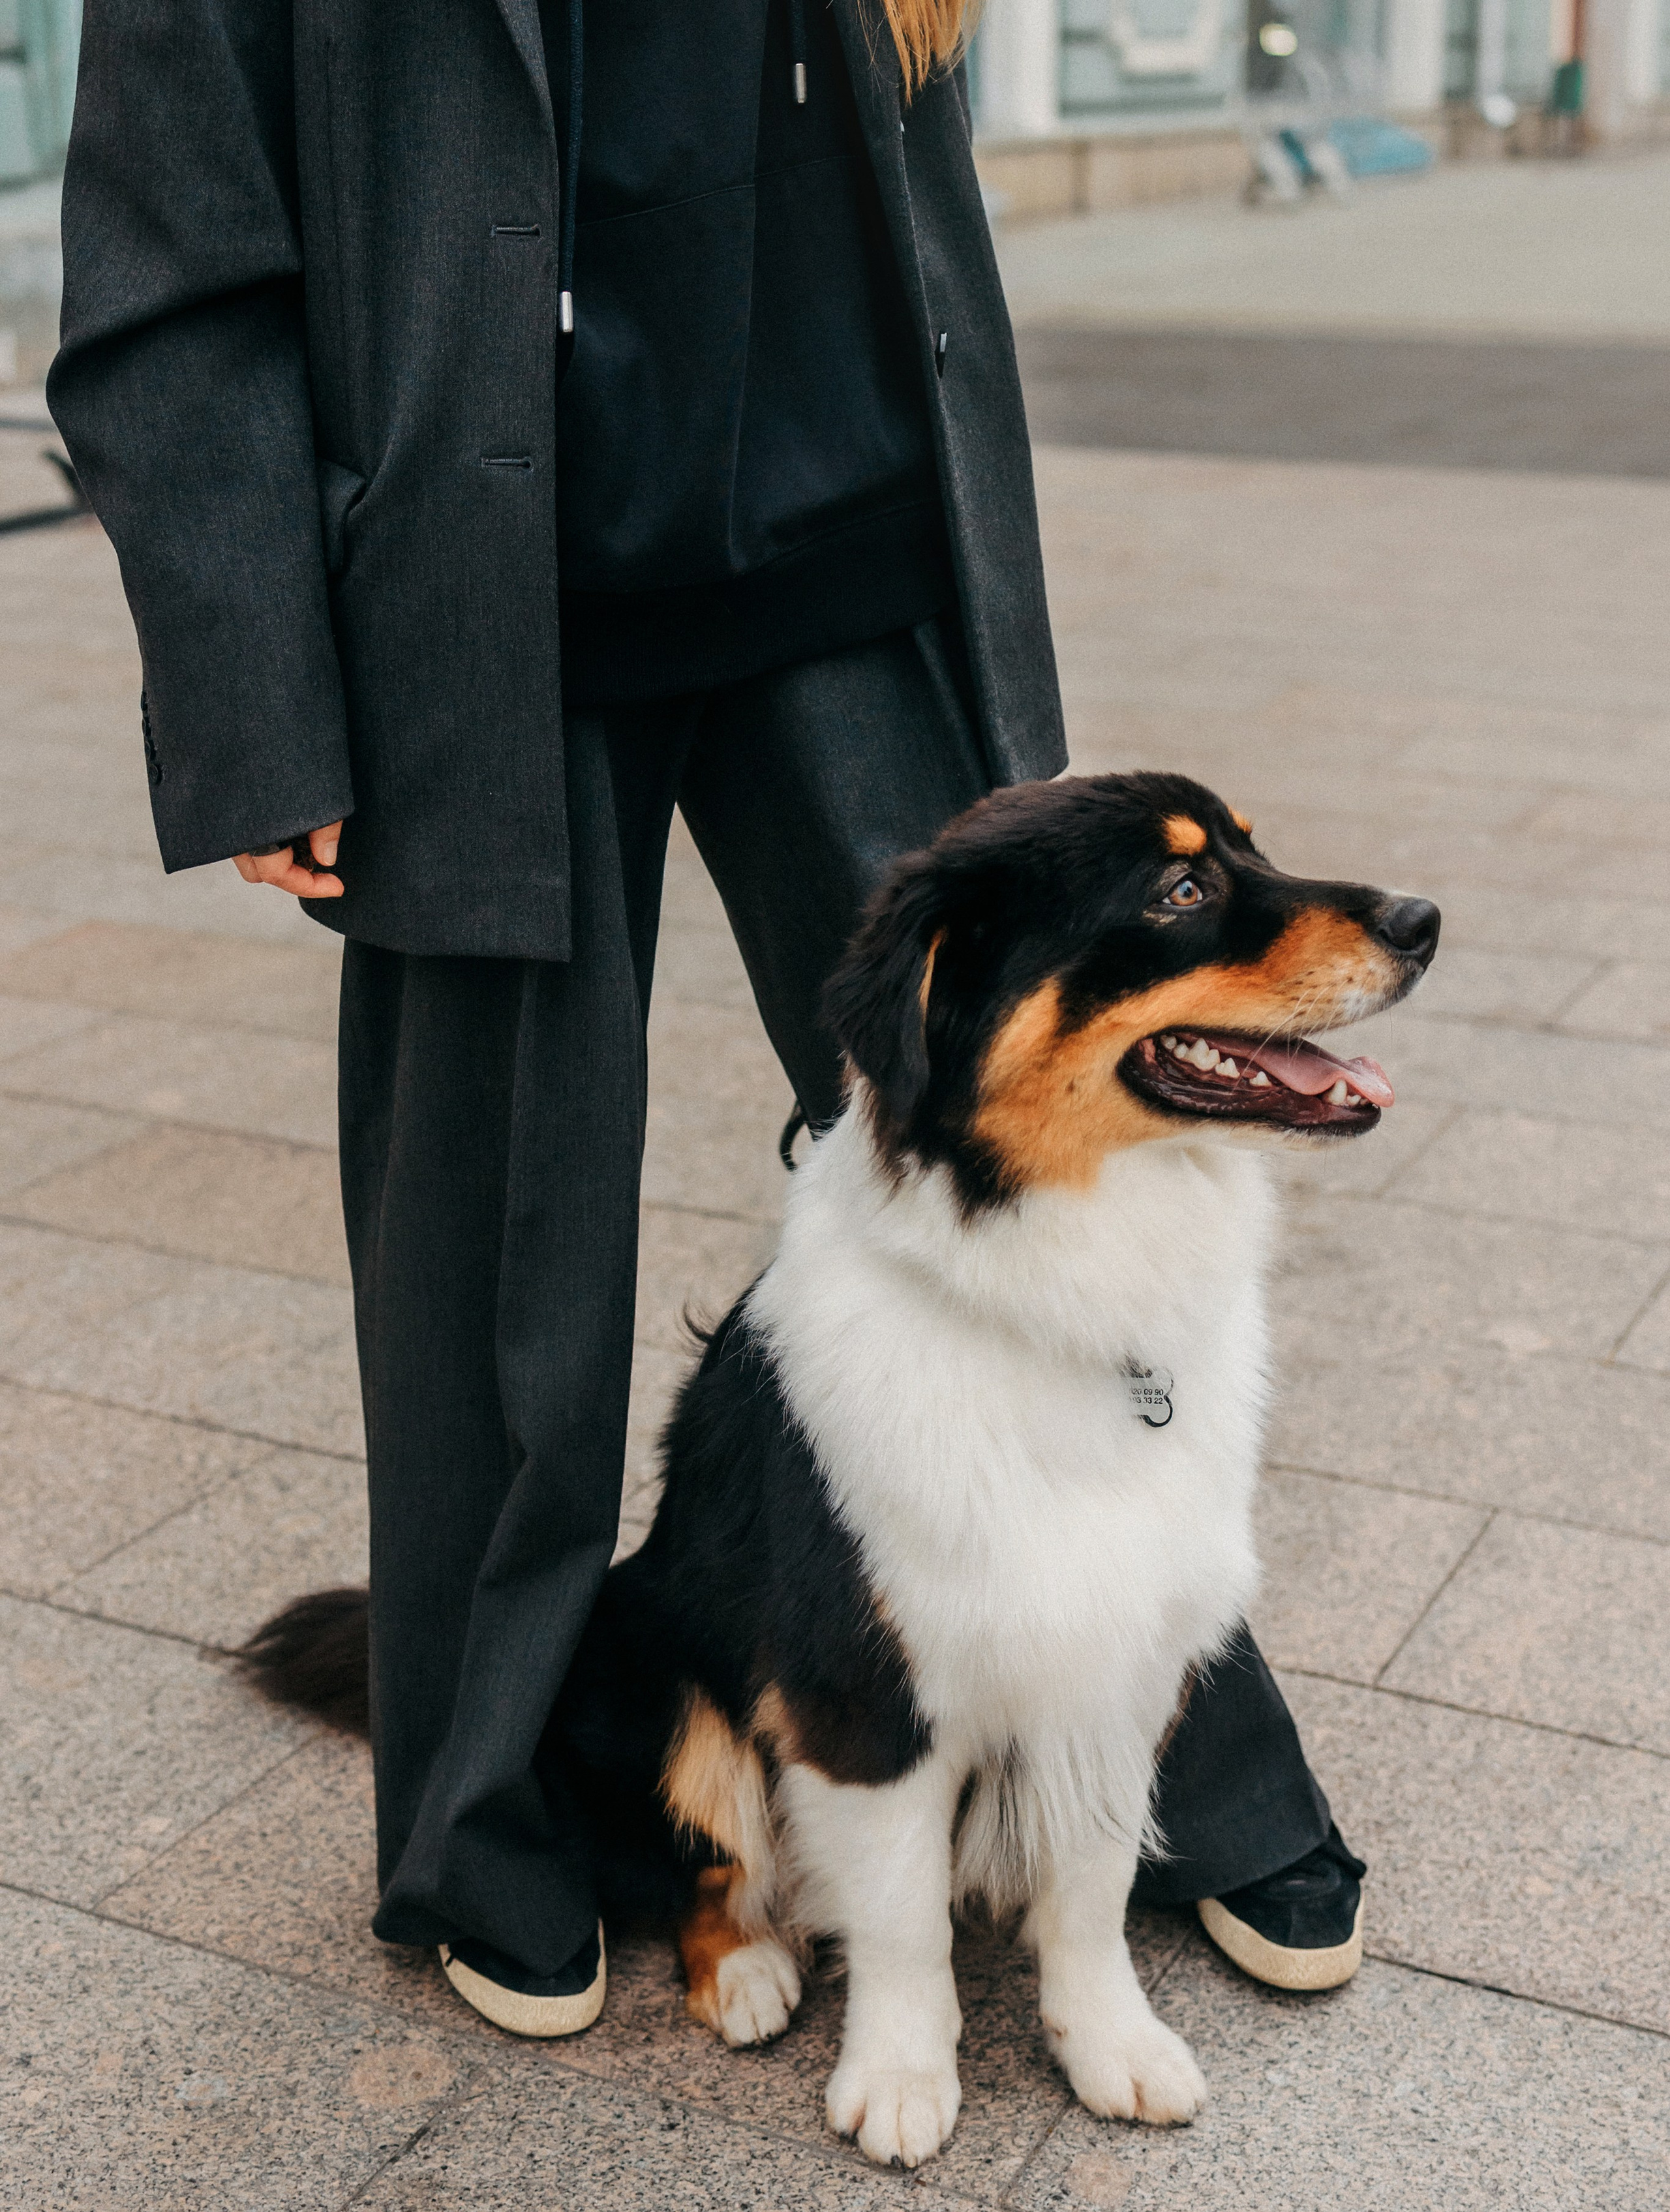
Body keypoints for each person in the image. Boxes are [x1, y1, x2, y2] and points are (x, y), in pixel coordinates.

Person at [49, 0, 1365, 2040]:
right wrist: (256, 688)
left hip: (847, 558)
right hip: (469, 613)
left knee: (1068, 1174)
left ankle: (1197, 1767)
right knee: (491, 1257)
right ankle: (491, 1814)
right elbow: (169, 257)